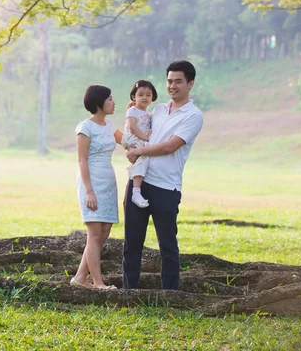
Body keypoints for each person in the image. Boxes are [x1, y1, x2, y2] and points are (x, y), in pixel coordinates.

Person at [122, 61, 203, 290]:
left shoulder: (193, 116)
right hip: (140, 181)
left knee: (167, 245)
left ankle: (170, 294)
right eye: (169, 81)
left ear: (190, 83)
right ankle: (129, 293)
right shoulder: (157, 110)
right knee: (132, 244)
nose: (172, 86)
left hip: (167, 188)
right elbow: (136, 126)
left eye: (178, 81)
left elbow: (169, 147)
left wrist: (138, 151)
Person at [71, 84, 123, 290]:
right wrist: (89, 191)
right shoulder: (85, 127)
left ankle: (79, 278)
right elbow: (82, 161)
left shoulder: (109, 126)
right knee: (94, 234)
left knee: (104, 232)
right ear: (99, 102)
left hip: (108, 181)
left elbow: (128, 141)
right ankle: (98, 282)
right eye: (109, 99)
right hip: (90, 182)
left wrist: (136, 114)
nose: (113, 102)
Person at [121, 80, 158, 209]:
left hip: (139, 139)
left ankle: (134, 171)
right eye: (140, 95)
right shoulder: (132, 110)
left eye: (148, 95)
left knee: (143, 158)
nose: (144, 98)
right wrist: (145, 137)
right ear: (134, 97)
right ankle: (136, 192)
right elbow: (132, 127)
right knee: (145, 154)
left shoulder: (148, 114)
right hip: (132, 138)